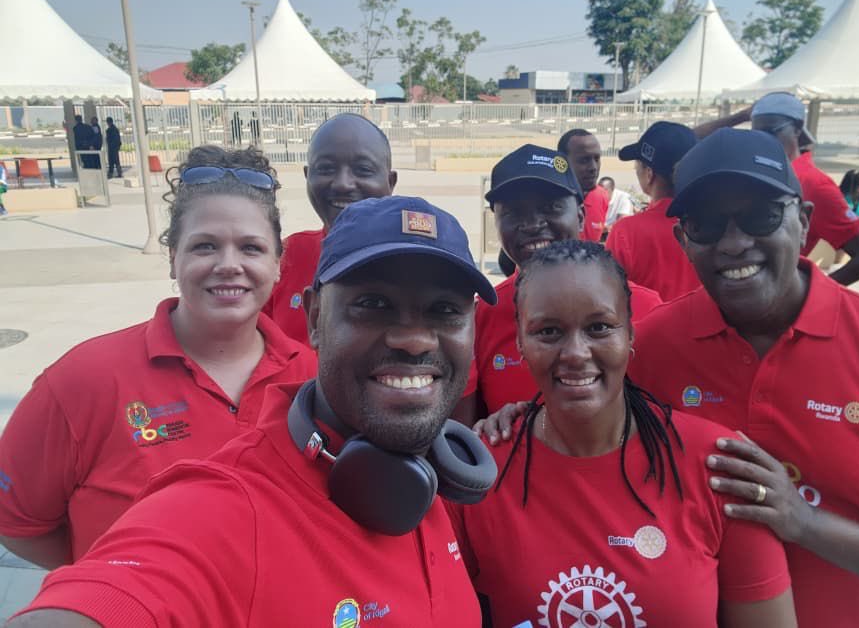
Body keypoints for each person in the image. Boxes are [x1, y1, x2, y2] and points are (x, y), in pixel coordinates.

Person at [478, 129, 859, 627]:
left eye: (760, 215)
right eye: (706, 224)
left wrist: (805, 522)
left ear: (805, 220)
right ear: (683, 238)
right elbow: (579, 401)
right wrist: (520, 416)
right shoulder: (651, 340)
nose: (735, 242)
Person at [9, 195, 496, 627]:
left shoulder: (428, 472)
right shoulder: (227, 507)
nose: (414, 338)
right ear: (314, 318)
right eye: (373, 304)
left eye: (444, 311)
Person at [450, 240, 797, 627]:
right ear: (519, 342)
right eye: (548, 331)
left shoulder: (720, 467)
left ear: (630, 333)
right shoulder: (478, 475)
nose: (576, 353)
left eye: (599, 327)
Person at [0, 145, 317, 569]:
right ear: (173, 259)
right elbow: (18, 525)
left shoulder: (315, 379)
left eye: (251, 248)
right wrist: (113, 579)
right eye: (204, 246)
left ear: (279, 264)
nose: (228, 264)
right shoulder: (83, 379)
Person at [457, 144, 662, 425]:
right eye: (514, 212)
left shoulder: (647, 309)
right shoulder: (483, 316)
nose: (532, 224)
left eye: (550, 207)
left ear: (580, 215)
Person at [700, 93, 859, 284]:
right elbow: (684, 141)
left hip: (770, 299)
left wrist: (810, 296)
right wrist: (741, 116)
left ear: (797, 129)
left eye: (770, 132)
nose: (762, 141)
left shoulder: (814, 184)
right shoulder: (756, 169)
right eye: (756, 134)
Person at [262, 113, 397, 346]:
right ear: (307, 176)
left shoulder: (421, 262)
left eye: (363, 169)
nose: (343, 184)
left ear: (390, 182)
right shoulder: (286, 256)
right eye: (325, 169)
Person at [606, 121, 702, 301]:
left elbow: (608, 297)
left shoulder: (626, 232)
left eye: (637, 168)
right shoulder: (713, 224)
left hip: (646, 329)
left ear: (649, 174)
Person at [557, 129, 610, 241]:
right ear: (562, 162)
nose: (593, 168)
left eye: (597, 159)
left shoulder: (601, 197)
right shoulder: (545, 201)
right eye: (584, 160)